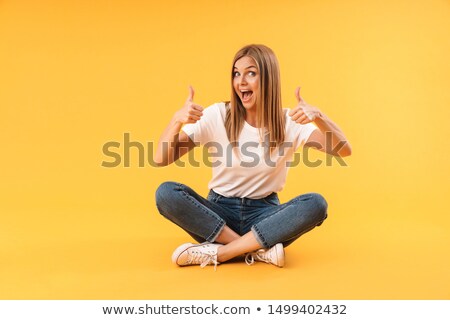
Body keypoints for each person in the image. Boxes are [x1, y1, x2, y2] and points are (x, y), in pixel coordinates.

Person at [154, 44, 351, 269]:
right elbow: (161, 158)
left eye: (251, 73)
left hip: (266, 215)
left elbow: (343, 149)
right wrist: (176, 121)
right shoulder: (217, 115)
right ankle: (256, 251)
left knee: (316, 204)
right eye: (236, 73)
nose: (241, 81)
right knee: (167, 193)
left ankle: (222, 253)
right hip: (218, 216)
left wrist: (320, 117)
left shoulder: (289, 122)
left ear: (269, 78)